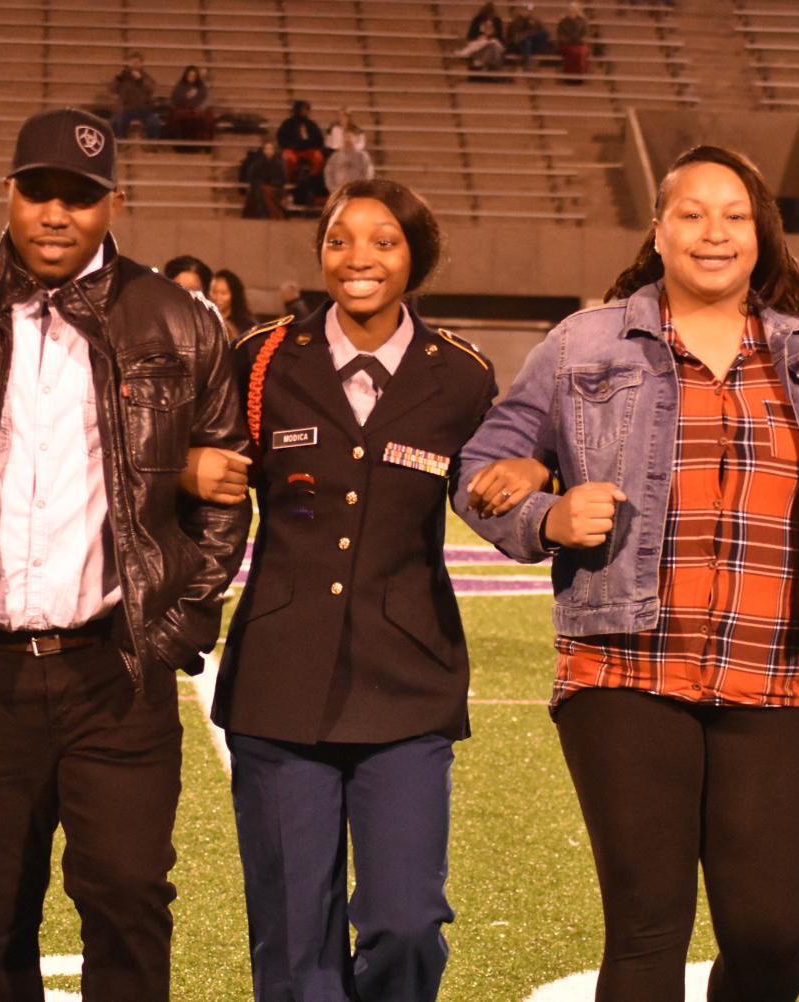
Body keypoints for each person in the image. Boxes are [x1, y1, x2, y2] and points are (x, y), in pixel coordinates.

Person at [453, 144, 799, 1002]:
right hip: (623, 666)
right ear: (659, 230)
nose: (715, 233)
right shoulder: (582, 343)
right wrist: (545, 518)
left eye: (735, 216)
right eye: (693, 214)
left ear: (760, 234)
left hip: (767, 673)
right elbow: (482, 468)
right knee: (646, 929)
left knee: (772, 937)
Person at [0, 107, 251, 999]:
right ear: (10, 192)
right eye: (40, 192)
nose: (56, 214)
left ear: (114, 204)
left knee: (131, 903)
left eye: (80, 196)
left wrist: (176, 630)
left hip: (120, 671)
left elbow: (227, 493)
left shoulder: (180, 320)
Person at [210, 177, 530, 1002]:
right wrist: (187, 468)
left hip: (408, 683)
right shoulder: (261, 357)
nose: (358, 258)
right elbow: (199, 471)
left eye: (383, 241)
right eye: (340, 239)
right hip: (278, 683)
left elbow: (494, 478)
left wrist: (534, 474)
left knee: (407, 921)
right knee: (292, 937)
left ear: (415, 256)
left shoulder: (460, 375)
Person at [110, 51, 162, 140]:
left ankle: (151, 145)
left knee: (154, 122)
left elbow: (152, 88)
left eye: (137, 62)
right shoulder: (123, 77)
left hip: (144, 109)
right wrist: (119, 78)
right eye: (132, 62)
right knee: (117, 121)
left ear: (142, 64)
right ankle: (121, 144)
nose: (134, 64)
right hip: (126, 109)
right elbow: (112, 89)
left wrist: (141, 80)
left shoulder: (146, 77)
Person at [167, 65, 214, 152]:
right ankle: (181, 146)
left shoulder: (201, 87)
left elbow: (204, 98)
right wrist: (186, 96)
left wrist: (197, 106)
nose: (191, 78)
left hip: (197, 110)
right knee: (178, 116)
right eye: (190, 76)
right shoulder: (180, 86)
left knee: (206, 117)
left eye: (194, 76)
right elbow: (175, 99)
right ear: (186, 76)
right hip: (183, 109)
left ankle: (202, 146)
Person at [276, 99, 326, 180]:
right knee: (287, 158)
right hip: (293, 150)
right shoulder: (288, 123)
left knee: (318, 157)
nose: (305, 111)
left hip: (308, 150)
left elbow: (319, 140)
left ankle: (312, 179)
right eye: (303, 109)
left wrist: (308, 143)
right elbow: (281, 138)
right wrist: (292, 145)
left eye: (306, 109)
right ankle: (289, 179)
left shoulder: (311, 124)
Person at [241, 139, 287, 219]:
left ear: (274, 150)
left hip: (275, 188)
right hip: (260, 187)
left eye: (270, 149)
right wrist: (261, 184)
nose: (268, 151)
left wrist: (272, 184)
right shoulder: (257, 163)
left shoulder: (279, 163)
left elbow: (282, 178)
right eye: (266, 149)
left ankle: (271, 215)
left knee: (267, 192)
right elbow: (253, 176)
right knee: (261, 191)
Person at [324, 124, 375, 192]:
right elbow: (328, 173)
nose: (348, 139)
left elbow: (368, 173)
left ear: (356, 138)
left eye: (350, 136)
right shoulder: (335, 156)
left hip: (357, 191)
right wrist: (333, 189)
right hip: (338, 190)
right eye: (345, 136)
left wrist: (363, 188)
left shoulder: (362, 156)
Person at [210, 268, 255, 338]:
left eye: (223, 293)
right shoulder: (204, 320)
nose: (217, 297)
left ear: (234, 295)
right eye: (214, 292)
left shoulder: (247, 325)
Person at [506, 3, 552, 70]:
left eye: (528, 10)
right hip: (520, 46)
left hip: (533, 45)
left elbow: (543, 33)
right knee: (526, 41)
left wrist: (529, 33)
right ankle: (527, 64)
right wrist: (525, 35)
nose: (526, 12)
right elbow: (515, 38)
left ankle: (536, 56)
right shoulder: (516, 22)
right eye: (525, 10)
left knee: (544, 33)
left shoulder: (535, 21)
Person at [556, 3, 589, 80]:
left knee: (581, 53)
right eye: (571, 11)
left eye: (574, 11)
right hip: (567, 44)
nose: (572, 13)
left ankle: (579, 76)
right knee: (571, 52)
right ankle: (569, 77)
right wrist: (566, 40)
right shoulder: (563, 21)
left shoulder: (582, 21)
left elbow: (585, 34)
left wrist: (580, 40)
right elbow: (560, 34)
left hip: (579, 44)